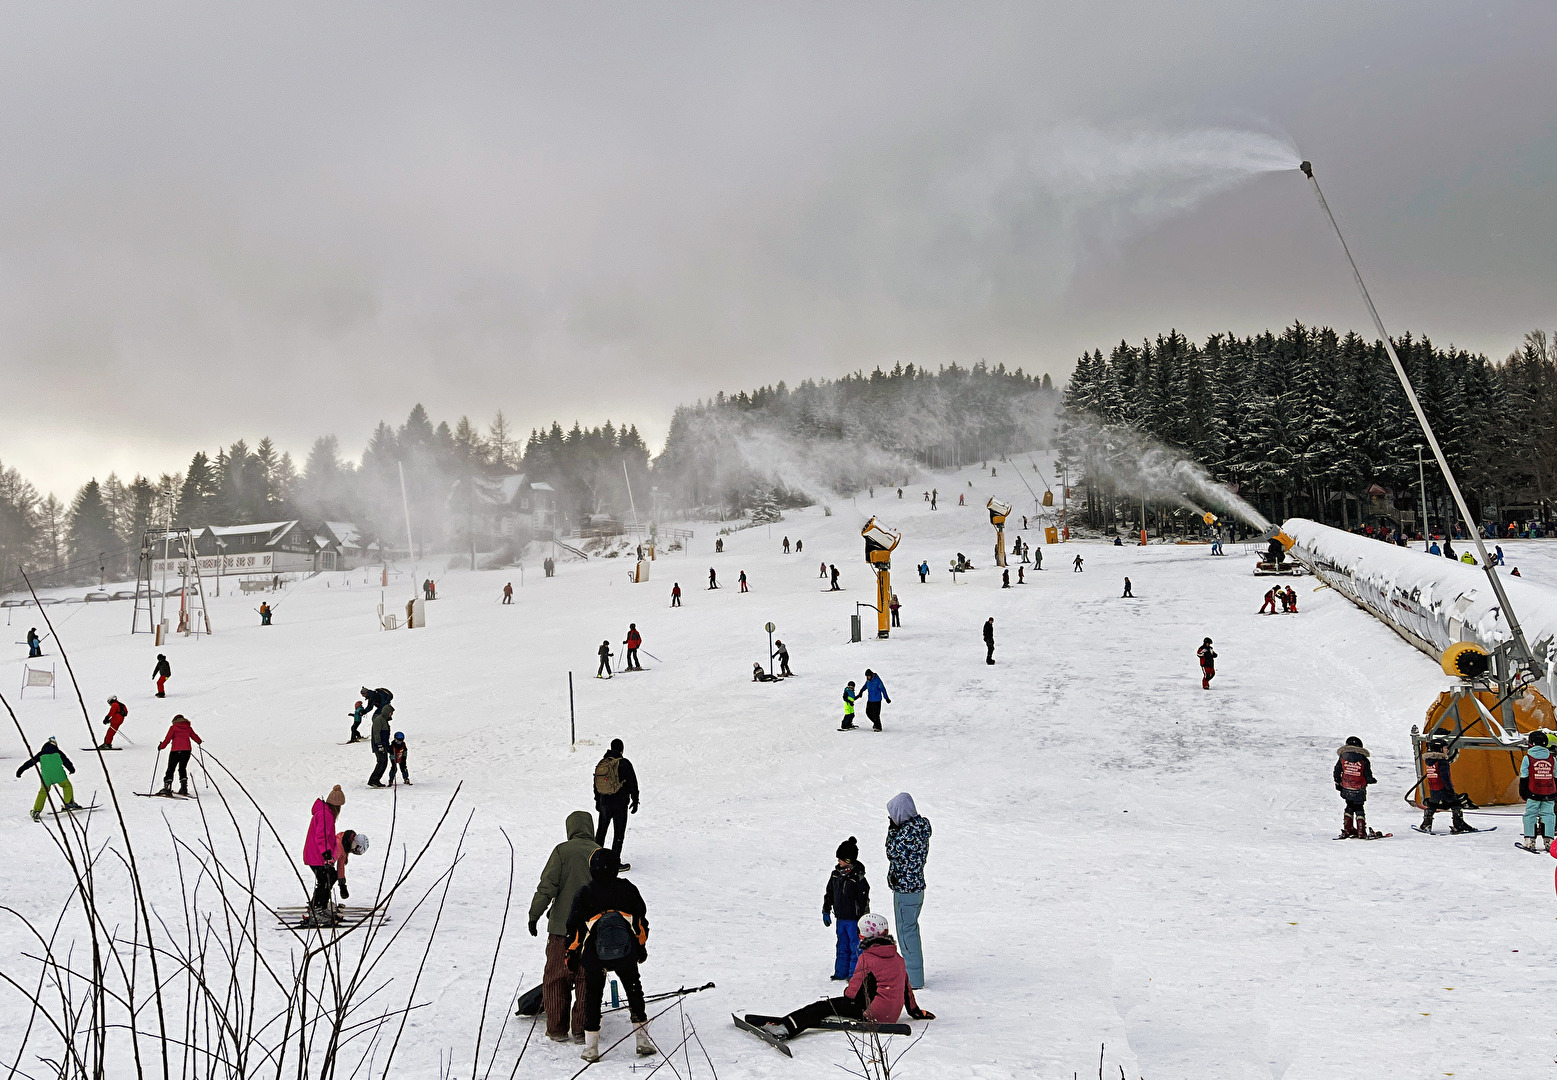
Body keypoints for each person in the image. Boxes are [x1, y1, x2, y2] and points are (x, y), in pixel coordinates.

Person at [743, 913, 934, 1040]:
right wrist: (915, 1012)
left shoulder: (868, 957)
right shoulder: (898, 958)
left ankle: (784, 1029)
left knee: (821, 1007)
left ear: (862, 936)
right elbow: (906, 989)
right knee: (833, 1005)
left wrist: (846, 999)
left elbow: (852, 993)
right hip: (891, 1014)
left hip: (872, 1013)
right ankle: (789, 1020)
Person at [566, 849, 654, 1061]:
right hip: (626, 953)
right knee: (634, 992)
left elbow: (575, 929)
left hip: (594, 956)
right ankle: (642, 1041)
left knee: (593, 997)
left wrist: (572, 955)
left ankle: (591, 1049)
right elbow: (640, 923)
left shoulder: (585, 892)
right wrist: (640, 948)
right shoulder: (627, 889)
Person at [529, 810, 599, 1044]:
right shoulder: (599, 853)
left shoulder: (561, 851)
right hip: (591, 930)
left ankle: (557, 1028)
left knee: (556, 978)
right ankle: (582, 1029)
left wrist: (534, 914)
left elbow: (547, 887)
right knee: (587, 979)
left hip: (561, 930)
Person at [885, 793, 931, 989]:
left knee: (907, 932)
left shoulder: (906, 834)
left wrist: (892, 831)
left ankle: (913, 980)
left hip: (905, 890)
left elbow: (891, 851)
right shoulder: (920, 828)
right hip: (916, 887)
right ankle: (913, 975)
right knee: (911, 929)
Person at [823, 837, 871, 980]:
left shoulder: (857, 877)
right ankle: (840, 972)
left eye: (841, 859)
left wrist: (863, 919)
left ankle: (854, 975)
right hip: (840, 918)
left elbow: (863, 900)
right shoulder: (835, 875)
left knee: (855, 947)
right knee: (842, 945)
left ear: (848, 860)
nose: (838, 862)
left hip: (854, 919)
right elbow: (829, 893)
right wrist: (826, 909)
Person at [301, 785, 347, 925]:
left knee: (327, 877)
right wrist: (326, 852)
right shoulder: (326, 815)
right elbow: (322, 836)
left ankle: (318, 905)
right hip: (317, 855)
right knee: (326, 878)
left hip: (315, 854)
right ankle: (318, 910)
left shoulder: (324, 812)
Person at [593, 739, 639, 862]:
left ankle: (594, 859)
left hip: (604, 803)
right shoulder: (624, 763)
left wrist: (598, 802)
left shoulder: (602, 763)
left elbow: (596, 785)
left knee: (601, 832)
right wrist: (635, 800)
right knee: (618, 835)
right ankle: (614, 863)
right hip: (620, 804)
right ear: (622, 749)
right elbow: (632, 783)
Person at [1419, 738, 1477, 834]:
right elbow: (1444, 776)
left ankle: (1426, 823)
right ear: (1439, 749)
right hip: (1444, 788)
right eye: (1445, 748)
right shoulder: (1442, 761)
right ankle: (1459, 824)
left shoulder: (1430, 761)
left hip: (1434, 788)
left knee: (1433, 805)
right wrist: (1449, 788)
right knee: (1456, 804)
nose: (1447, 750)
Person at [17, 737, 80, 821]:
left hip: (46, 777)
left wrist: (20, 771)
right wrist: (71, 769)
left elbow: (29, 763)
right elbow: (66, 761)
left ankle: (36, 811)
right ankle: (68, 803)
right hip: (59, 774)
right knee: (67, 786)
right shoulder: (58, 752)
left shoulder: (41, 754)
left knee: (43, 792)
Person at [1334, 736, 1380, 839]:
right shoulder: (1364, 759)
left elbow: (1337, 770)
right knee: (1359, 807)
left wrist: (1337, 782)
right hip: (1359, 788)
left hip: (1346, 786)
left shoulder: (1342, 757)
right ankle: (1361, 831)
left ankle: (1348, 828)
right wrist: (1371, 780)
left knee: (1349, 805)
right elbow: (1367, 774)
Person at [1520, 732, 1557, 852]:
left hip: (1533, 791)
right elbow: (1556, 776)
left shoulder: (1527, 758)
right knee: (1549, 815)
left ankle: (1530, 840)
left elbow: (1524, 777)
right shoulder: (1552, 759)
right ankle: (1549, 841)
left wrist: (1523, 792)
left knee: (1530, 814)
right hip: (1550, 791)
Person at [157, 714, 202, 796]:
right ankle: (184, 788)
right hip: (186, 751)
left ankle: (167, 788)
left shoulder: (173, 728)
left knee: (171, 768)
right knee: (182, 768)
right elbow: (195, 737)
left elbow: (167, 739)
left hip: (175, 751)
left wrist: (161, 747)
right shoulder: (188, 727)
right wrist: (199, 741)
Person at [367, 702, 394, 787]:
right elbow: (376, 733)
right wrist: (379, 745)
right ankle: (374, 780)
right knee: (381, 762)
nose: (391, 714)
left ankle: (375, 780)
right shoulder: (379, 720)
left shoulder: (384, 720)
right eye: (391, 712)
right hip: (378, 745)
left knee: (383, 762)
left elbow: (385, 735)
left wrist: (388, 746)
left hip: (383, 745)